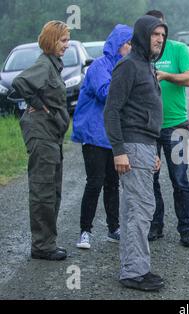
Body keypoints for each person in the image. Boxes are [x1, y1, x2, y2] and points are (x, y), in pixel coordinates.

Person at [104, 15, 167, 292]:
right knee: (140, 210)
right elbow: (111, 110)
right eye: (155, 35)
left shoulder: (147, 66)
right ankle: (134, 272)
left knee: (135, 209)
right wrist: (119, 150)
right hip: (131, 145)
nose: (160, 40)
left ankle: (135, 268)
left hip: (145, 146)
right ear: (142, 35)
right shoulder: (128, 66)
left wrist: (154, 151)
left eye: (163, 36)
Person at [12, 21, 71, 261]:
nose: (66, 45)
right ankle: (42, 246)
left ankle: (47, 242)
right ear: (51, 40)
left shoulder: (53, 65)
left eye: (67, 40)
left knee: (53, 190)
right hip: (41, 134)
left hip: (52, 135)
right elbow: (20, 83)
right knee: (43, 190)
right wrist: (40, 107)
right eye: (63, 40)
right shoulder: (44, 64)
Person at [71, 24, 133, 249]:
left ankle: (113, 228)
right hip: (93, 134)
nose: (130, 48)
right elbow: (106, 93)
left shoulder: (124, 67)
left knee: (112, 183)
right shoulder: (99, 66)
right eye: (128, 43)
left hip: (111, 136)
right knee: (94, 182)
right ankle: (85, 231)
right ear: (118, 44)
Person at [146, 10, 189, 248]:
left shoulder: (179, 49)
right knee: (151, 179)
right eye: (154, 31)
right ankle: (156, 226)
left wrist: (166, 75)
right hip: (149, 128)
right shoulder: (142, 53)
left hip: (176, 125)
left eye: (161, 30)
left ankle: (185, 230)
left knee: (179, 180)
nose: (159, 36)